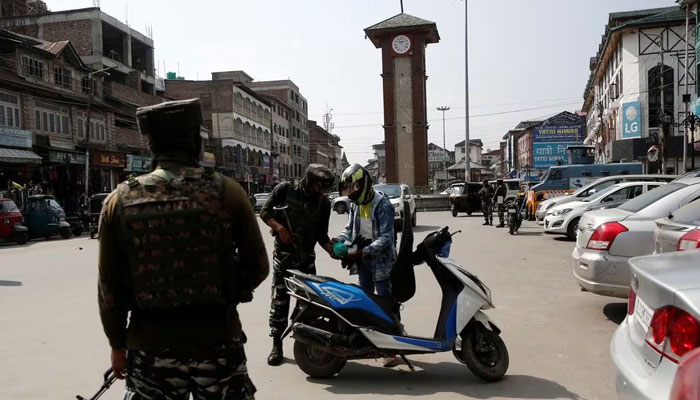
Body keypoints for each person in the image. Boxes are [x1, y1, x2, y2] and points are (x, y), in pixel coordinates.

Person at [98, 99, 269, 400]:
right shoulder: (227, 191)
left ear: (151, 144)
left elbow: (109, 288)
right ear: (195, 142)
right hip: (217, 342)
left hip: (150, 348)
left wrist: (116, 344)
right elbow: (258, 266)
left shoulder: (119, 200)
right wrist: (226, 291)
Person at [259, 164, 336, 366]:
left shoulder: (323, 204)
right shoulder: (285, 189)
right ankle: (277, 344)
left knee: (308, 303)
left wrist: (332, 249)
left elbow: (322, 235)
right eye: (319, 186)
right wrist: (280, 228)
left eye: (325, 188)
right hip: (284, 259)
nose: (321, 191)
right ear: (309, 180)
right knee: (280, 302)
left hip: (306, 260)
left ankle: (300, 337)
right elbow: (265, 212)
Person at [335, 164, 398, 367]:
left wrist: (361, 251)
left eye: (353, 187)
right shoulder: (355, 204)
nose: (351, 193)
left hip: (381, 262)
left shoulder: (382, 204)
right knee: (367, 301)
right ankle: (373, 341)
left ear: (362, 184)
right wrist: (339, 240)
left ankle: (392, 347)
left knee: (385, 302)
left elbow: (387, 238)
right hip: (363, 260)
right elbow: (350, 229)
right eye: (348, 189)